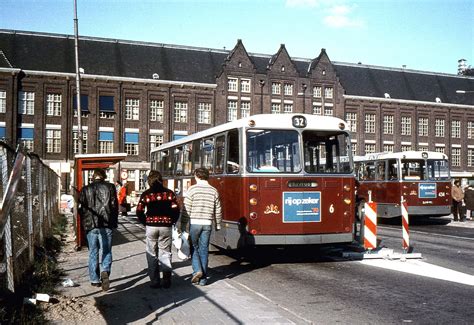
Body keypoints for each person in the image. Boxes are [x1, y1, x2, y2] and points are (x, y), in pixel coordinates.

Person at [136, 170, 180, 288]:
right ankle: (166, 280)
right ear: (161, 180)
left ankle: (155, 281)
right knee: (165, 253)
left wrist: (145, 222)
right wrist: (173, 221)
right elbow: (176, 209)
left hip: (151, 226)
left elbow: (139, 210)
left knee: (151, 253)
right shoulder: (169, 193)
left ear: (149, 181)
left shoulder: (146, 194)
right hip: (166, 226)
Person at [180, 167, 222, 286]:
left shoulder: (192, 190)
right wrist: (218, 223)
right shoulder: (214, 190)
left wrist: (183, 225)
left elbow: (186, 209)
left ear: (196, 176)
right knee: (204, 250)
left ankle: (197, 270)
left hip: (195, 223)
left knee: (194, 247)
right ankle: (203, 279)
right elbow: (218, 209)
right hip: (207, 223)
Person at [78, 168, 118, 291]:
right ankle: (105, 270)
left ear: (93, 177)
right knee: (106, 251)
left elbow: (80, 208)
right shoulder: (110, 187)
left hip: (91, 225)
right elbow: (114, 206)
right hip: (106, 225)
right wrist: (114, 223)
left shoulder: (85, 189)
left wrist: (85, 221)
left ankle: (94, 280)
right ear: (104, 176)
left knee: (93, 252)